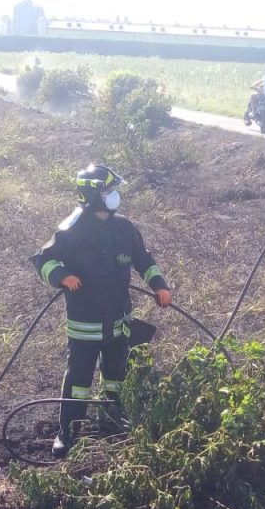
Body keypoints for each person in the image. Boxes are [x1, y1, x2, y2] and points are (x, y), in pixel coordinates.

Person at [31, 164, 173, 458]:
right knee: (79, 380)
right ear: (94, 195)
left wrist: (159, 285)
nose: (115, 196)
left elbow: (144, 259)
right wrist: (61, 277)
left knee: (116, 376)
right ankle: (68, 431)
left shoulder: (124, 228)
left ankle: (111, 424)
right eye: (109, 191)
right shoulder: (72, 230)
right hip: (85, 323)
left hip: (119, 320)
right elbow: (43, 259)